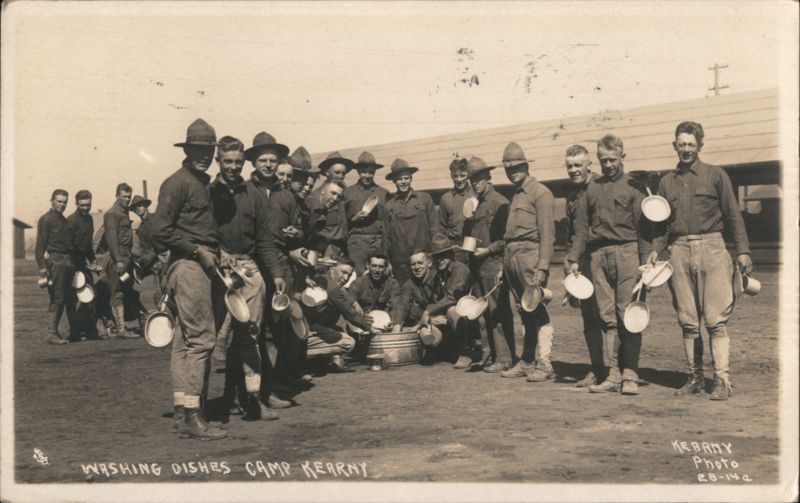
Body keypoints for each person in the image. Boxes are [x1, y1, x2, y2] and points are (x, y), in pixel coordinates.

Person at [648, 121, 752, 401]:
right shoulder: (666, 182)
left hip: (712, 248)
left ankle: (721, 380)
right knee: (688, 320)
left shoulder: (716, 175)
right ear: (675, 146)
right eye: (681, 144)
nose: (686, 149)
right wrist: (656, 250)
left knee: (716, 320)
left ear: (700, 146)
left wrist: (743, 250)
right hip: (679, 250)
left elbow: (733, 215)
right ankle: (694, 377)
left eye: (691, 145)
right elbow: (662, 226)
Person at [151, 118, 226, 440]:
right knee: (202, 341)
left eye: (208, 150)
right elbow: (158, 229)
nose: (204, 156)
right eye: (197, 150)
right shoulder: (177, 183)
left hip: (201, 265)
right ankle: (195, 417)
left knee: (185, 342)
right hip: (189, 267)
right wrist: (197, 251)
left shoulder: (201, 183)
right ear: (186, 150)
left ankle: (183, 412)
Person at [566, 134, 651, 396]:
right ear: (598, 159)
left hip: (627, 254)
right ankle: (614, 374)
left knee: (629, 315)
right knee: (607, 316)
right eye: (603, 160)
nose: (608, 165)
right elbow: (581, 228)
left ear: (623, 157)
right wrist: (573, 258)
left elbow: (643, 229)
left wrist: (646, 263)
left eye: (613, 159)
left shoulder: (634, 186)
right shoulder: (592, 188)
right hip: (598, 256)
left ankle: (631, 374)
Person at [207, 135, 281, 420]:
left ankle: (253, 399)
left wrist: (276, 273)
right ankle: (215, 401)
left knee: (250, 335)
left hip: (248, 269)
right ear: (218, 161)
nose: (233, 167)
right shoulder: (207, 193)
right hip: (217, 271)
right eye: (228, 161)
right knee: (217, 338)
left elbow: (264, 240)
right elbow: (200, 233)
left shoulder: (254, 195)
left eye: (238, 162)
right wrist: (219, 252)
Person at [263, 146, 321, 394]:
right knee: (276, 326)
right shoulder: (271, 197)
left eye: (292, 176)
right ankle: (273, 383)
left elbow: (299, 233)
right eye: (285, 175)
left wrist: (295, 235)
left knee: (290, 323)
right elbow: (266, 239)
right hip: (274, 268)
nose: (288, 180)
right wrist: (290, 250)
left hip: (290, 270)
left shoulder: (295, 201)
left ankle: (286, 375)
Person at [498, 142, 557, 383]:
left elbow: (547, 235)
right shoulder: (515, 195)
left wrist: (542, 267)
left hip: (530, 257)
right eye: (508, 168)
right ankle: (527, 360)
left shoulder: (540, 193)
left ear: (526, 166)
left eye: (517, 167)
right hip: (512, 258)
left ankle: (544, 363)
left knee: (537, 309)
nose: (512, 171)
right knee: (523, 311)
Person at [461, 156, 513, 373]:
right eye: (472, 180)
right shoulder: (476, 203)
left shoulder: (499, 202)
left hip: (493, 264)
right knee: (481, 314)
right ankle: (489, 354)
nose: (475, 183)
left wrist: (489, 250)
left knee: (497, 312)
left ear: (488, 177)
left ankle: (505, 358)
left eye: (479, 178)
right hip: (478, 266)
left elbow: (506, 239)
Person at [562, 145, 604, 387]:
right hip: (582, 263)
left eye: (578, 165)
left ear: (590, 164)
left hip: (602, 258)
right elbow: (571, 234)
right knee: (589, 317)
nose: (574, 170)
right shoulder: (571, 197)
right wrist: (569, 262)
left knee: (609, 315)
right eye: (570, 166)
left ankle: (618, 369)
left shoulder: (601, 187)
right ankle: (597, 368)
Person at [396, 237, 471, 367]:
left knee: (452, 311)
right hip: (446, 313)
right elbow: (406, 302)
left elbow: (452, 297)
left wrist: (428, 312)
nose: (440, 260)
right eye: (437, 257)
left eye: (443, 256)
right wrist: (397, 323)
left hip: (467, 312)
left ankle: (465, 352)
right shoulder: (440, 274)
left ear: (451, 255)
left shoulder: (460, 269)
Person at [303, 259, 364, 373]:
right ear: (332, 269)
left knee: (337, 329)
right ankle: (297, 356)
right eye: (343, 272)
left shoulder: (330, 283)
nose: (346, 278)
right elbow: (349, 313)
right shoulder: (325, 283)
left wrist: (353, 302)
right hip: (304, 328)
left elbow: (343, 298)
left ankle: (316, 363)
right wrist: (370, 328)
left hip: (311, 326)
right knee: (348, 343)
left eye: (349, 275)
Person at [383, 158, 437, 284]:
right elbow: (386, 237)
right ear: (394, 181)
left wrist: (435, 255)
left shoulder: (424, 199)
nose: (403, 182)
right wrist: (387, 261)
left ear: (411, 178)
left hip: (423, 258)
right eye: (399, 179)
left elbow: (434, 228)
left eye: (406, 178)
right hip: (400, 262)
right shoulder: (389, 206)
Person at [347, 253, 405, 360]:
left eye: (380, 267)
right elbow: (349, 304)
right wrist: (360, 314)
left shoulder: (392, 283)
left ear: (385, 268)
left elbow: (396, 304)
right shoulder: (358, 283)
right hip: (362, 323)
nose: (377, 270)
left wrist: (393, 321)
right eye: (374, 266)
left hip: (383, 324)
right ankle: (358, 350)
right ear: (367, 265)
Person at [36, 189, 74, 345]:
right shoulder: (46, 219)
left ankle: (63, 332)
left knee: (67, 298)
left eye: (65, 202)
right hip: (56, 262)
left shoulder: (65, 221)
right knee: (57, 298)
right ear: (51, 201)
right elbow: (40, 247)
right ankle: (51, 334)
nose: (62, 204)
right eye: (59, 201)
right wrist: (42, 268)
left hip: (68, 262)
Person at [102, 182, 139, 339]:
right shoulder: (112, 214)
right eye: (124, 196)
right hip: (118, 258)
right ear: (117, 196)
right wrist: (118, 260)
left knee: (125, 290)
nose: (127, 199)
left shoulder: (124, 212)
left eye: (129, 197)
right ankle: (121, 329)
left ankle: (122, 326)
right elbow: (111, 238)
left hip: (126, 256)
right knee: (117, 292)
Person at [66, 189, 104, 341]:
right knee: (73, 299)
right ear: (76, 204)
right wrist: (80, 265)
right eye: (82, 205)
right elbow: (69, 246)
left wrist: (93, 260)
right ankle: (74, 332)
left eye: (88, 205)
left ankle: (90, 331)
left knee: (90, 295)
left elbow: (88, 245)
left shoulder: (89, 219)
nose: (86, 208)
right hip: (72, 263)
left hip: (83, 263)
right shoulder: (71, 221)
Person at [343, 151, 389, 275]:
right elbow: (341, 223)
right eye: (364, 172)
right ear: (358, 171)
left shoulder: (384, 193)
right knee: (358, 277)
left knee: (377, 277)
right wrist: (354, 219)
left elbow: (388, 222)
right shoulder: (348, 193)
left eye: (371, 172)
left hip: (378, 242)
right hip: (356, 243)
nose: (367, 175)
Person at [308, 152, 353, 257]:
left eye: (343, 173)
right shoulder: (317, 196)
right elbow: (311, 229)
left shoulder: (343, 195)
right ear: (327, 172)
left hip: (342, 248)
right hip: (325, 249)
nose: (341, 176)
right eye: (337, 172)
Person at [131, 195, 169, 307]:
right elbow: (147, 249)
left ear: (146, 206)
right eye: (135, 207)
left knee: (168, 288)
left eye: (140, 205)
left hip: (168, 256)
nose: (138, 209)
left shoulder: (156, 219)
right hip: (158, 262)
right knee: (164, 290)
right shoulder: (140, 229)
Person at [436, 158, 473, 264]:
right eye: (455, 176)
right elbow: (441, 227)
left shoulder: (475, 194)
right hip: (454, 247)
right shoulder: (446, 198)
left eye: (462, 175)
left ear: (468, 175)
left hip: (473, 243)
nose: (459, 179)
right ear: (451, 176)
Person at [244, 131, 290, 201]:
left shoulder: (287, 196)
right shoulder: (243, 192)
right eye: (263, 160)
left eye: (273, 161)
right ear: (253, 163)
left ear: (278, 163)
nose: (268, 165)